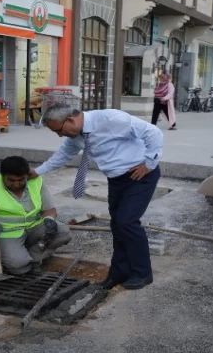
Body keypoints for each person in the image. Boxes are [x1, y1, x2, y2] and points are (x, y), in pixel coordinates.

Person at [31, 103, 163, 290]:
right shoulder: (76, 137)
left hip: (140, 175)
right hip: (116, 179)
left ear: (70, 120)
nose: (60, 135)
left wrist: (149, 163)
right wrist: (37, 171)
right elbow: (62, 155)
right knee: (117, 225)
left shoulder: (111, 119)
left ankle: (142, 273)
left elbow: (154, 133)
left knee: (127, 222)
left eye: (59, 130)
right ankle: (119, 272)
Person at [0, 156, 72, 275]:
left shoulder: (36, 181)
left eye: (21, 180)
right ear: (2, 176)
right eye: (11, 180)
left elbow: (50, 209)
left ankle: (34, 258)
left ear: (27, 175)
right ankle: (21, 256)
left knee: (63, 233)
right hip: (7, 232)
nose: (17, 184)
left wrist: (49, 219)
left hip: (34, 227)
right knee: (18, 267)